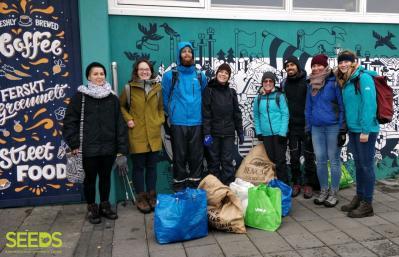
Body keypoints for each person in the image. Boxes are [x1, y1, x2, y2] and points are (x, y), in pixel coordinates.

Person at [63, 62, 129, 224]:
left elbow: (119, 124)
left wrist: (121, 148)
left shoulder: (112, 97)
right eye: (95, 74)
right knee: (90, 180)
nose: (99, 77)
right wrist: (74, 144)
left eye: (101, 74)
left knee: (105, 177)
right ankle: (92, 207)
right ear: (88, 77)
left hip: (108, 147)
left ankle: (105, 206)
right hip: (88, 148)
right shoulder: (80, 96)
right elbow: (69, 122)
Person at [335, 50, 379, 218]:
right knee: (359, 165)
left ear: (354, 62)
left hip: (365, 130)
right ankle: (360, 197)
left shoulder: (364, 78)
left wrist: (366, 130)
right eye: (341, 62)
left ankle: (367, 203)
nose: (343, 64)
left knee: (367, 166)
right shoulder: (347, 80)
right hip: (354, 130)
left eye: (346, 61)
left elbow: (370, 105)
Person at [119, 59, 164, 213]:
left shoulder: (157, 88)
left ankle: (152, 195)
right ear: (136, 71)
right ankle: (141, 198)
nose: (144, 72)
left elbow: (160, 108)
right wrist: (128, 119)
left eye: (147, 69)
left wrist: (159, 120)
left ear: (151, 71)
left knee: (152, 167)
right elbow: (121, 107)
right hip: (137, 134)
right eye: (141, 69)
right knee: (138, 167)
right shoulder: (128, 89)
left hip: (154, 134)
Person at [162, 42, 207, 191]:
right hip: (178, 122)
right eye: (184, 51)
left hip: (197, 122)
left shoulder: (201, 76)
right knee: (179, 157)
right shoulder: (170, 75)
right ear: (179, 55)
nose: (187, 54)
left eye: (189, 51)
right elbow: (165, 98)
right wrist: (173, 114)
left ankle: (195, 188)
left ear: (193, 55)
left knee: (196, 157)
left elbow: (205, 98)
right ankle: (180, 188)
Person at [305, 54, 345, 207]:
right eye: (313, 65)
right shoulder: (311, 84)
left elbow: (342, 107)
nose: (316, 68)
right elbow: (308, 108)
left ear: (325, 66)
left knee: (334, 160)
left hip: (333, 126)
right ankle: (323, 191)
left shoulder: (334, 82)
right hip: (316, 128)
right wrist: (308, 128)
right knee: (320, 160)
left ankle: (334, 192)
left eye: (318, 65)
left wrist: (342, 129)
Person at [202, 63, 244, 185]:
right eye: (221, 71)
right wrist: (206, 133)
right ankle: (215, 190)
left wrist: (240, 131)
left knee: (227, 162)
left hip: (228, 134)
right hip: (213, 134)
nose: (223, 74)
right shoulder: (209, 91)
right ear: (217, 73)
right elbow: (206, 114)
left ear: (228, 76)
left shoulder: (231, 92)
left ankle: (227, 190)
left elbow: (237, 113)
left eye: (226, 73)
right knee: (213, 163)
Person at [283, 56, 318, 198]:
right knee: (294, 157)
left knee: (309, 157)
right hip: (291, 127)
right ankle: (296, 183)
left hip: (307, 126)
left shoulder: (307, 82)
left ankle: (309, 184)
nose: (290, 67)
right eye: (287, 66)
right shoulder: (284, 83)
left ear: (297, 66)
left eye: (292, 65)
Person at [253, 72, 289, 184]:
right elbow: (256, 116)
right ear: (262, 83)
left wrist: (283, 132)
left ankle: (283, 186)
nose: (268, 83)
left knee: (280, 161)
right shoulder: (258, 98)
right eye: (265, 81)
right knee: (270, 160)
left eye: (270, 81)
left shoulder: (279, 96)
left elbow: (285, 114)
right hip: (266, 134)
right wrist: (259, 131)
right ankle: (273, 184)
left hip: (279, 134)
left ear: (273, 83)